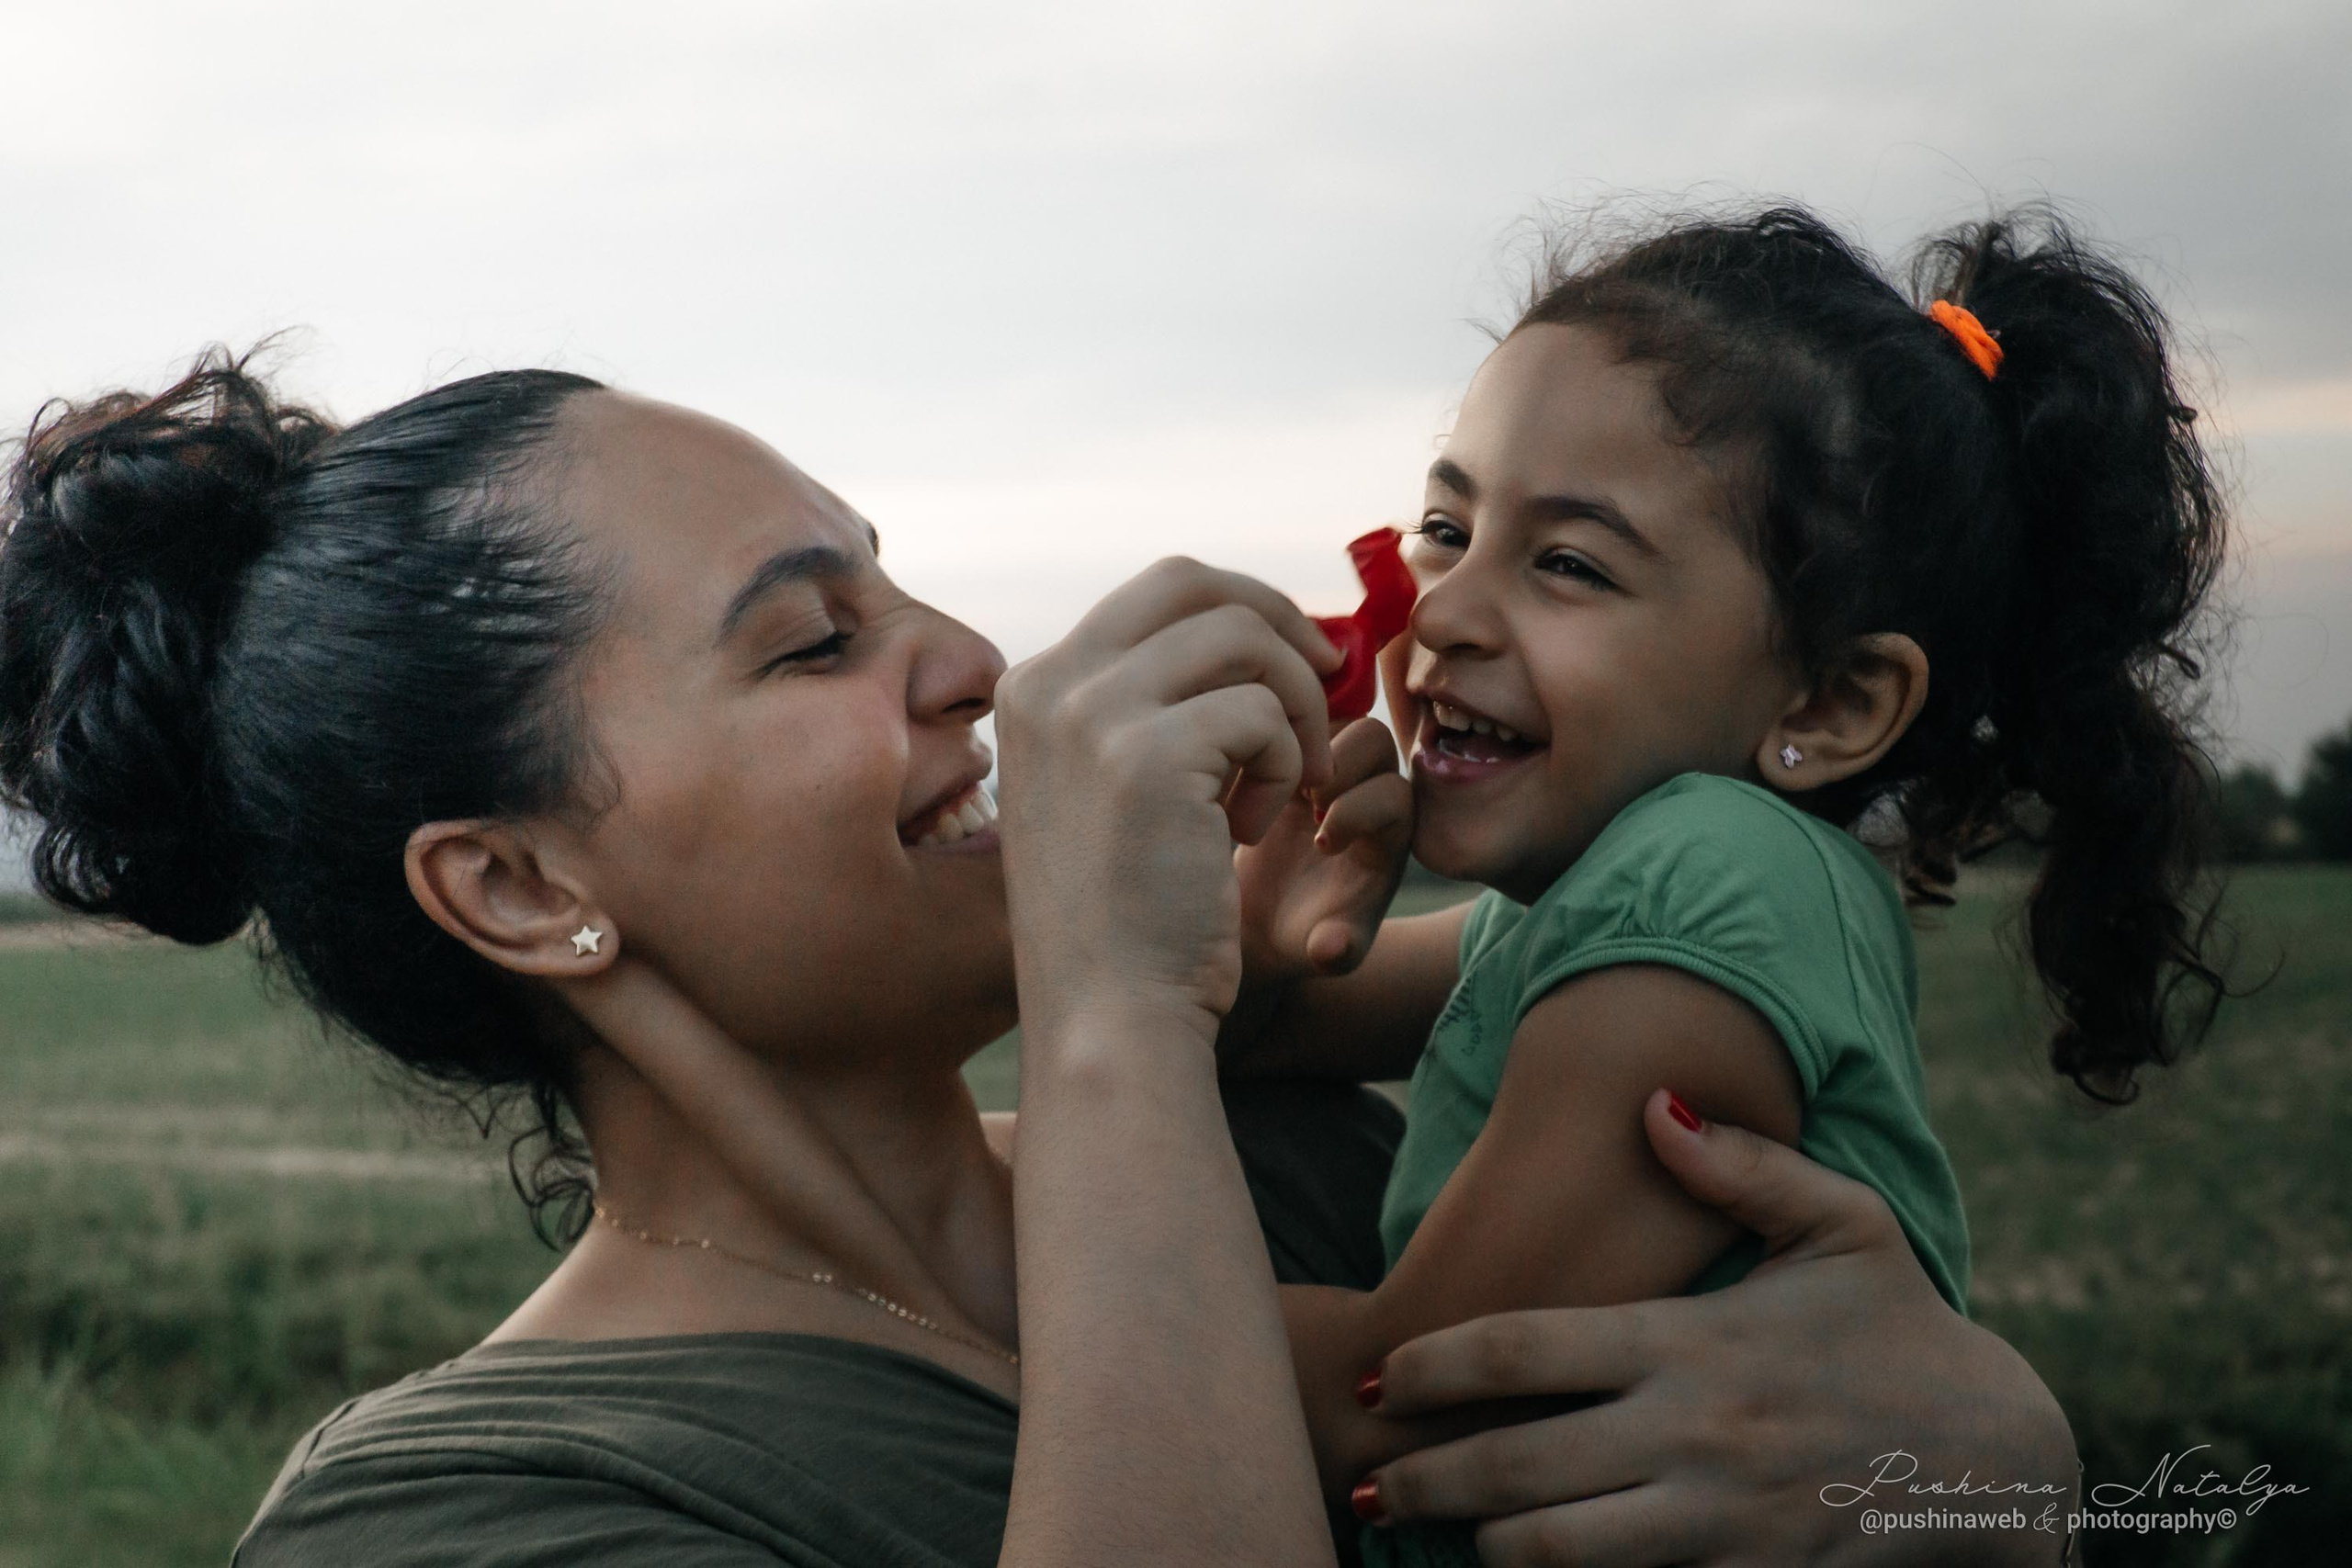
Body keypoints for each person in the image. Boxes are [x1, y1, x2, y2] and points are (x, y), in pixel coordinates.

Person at [0, 345, 2079, 1567]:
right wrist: (1101, 1019)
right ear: (525, 889)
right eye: (814, 641)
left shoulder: (1282, 1158)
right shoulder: (473, 1519)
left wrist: (1995, 1468)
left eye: (905, 591)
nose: (978, 666)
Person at [1223, 205, 2224, 1567]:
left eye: (1567, 563)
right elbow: (1252, 1026)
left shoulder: (1714, 886)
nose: (1442, 612)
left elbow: (1406, 1403)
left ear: (1834, 700)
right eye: (1448, 527)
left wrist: (933, 1290)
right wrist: (1281, 935)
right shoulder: (1611, 894)